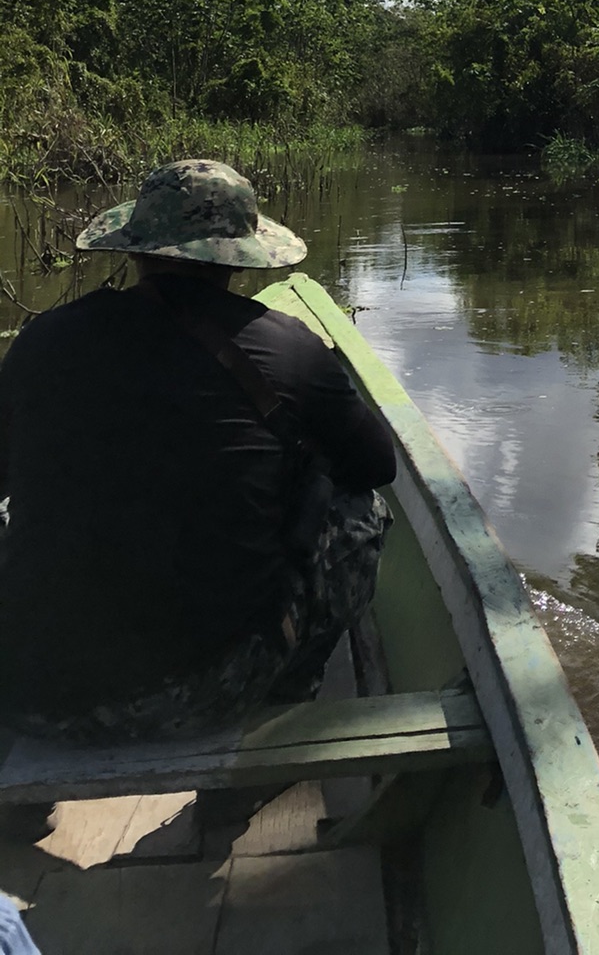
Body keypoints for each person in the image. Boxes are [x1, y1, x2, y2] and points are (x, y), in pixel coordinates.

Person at [0, 159, 396, 743]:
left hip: (30, 691)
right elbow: (375, 467)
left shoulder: (42, 341)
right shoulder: (290, 352)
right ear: (238, 260)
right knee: (363, 516)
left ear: (134, 250)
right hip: (207, 693)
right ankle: (283, 712)